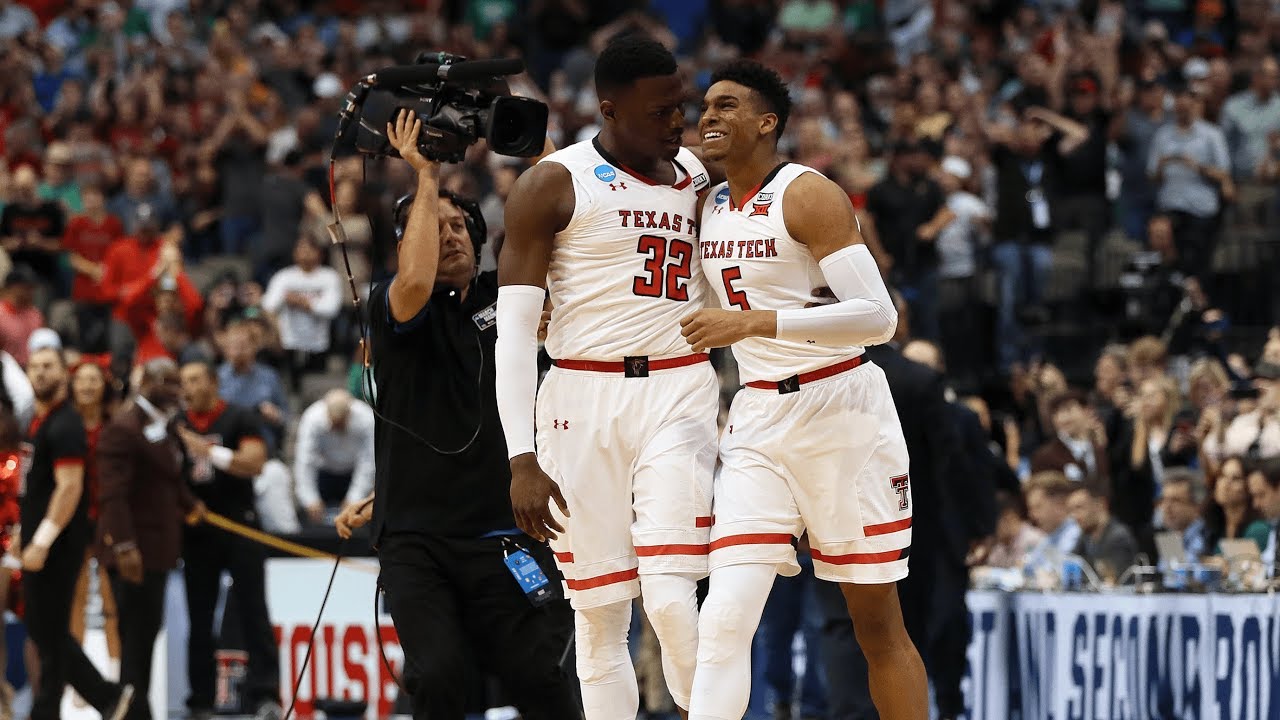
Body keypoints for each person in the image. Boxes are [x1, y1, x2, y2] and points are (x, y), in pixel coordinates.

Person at [679, 59, 926, 720]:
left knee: (875, 626)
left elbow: (880, 317)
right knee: (725, 619)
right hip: (758, 412)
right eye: (705, 106)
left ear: (767, 122)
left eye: (726, 105)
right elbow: (692, 312)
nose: (708, 117)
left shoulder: (806, 193)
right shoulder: (709, 205)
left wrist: (759, 321)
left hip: (841, 407)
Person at [497, 35, 715, 719]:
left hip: (679, 389)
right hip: (578, 397)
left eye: (680, 106)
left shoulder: (702, 180)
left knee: (674, 597)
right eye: (661, 112)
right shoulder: (553, 184)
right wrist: (520, 457)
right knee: (598, 620)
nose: (677, 123)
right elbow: (512, 335)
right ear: (610, 109)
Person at [363, 110, 578, 719]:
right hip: (417, 541)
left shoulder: (505, 303)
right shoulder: (390, 304)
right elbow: (415, 280)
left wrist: (541, 152)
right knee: (437, 678)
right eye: (435, 226)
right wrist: (425, 178)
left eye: (460, 226)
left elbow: (571, 222)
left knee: (542, 675)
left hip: (503, 532)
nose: (450, 234)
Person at [18, 346, 134, 720]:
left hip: (59, 544)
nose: (40, 373)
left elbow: (70, 488)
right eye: (34, 367)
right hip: (45, 539)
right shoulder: (42, 422)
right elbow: (37, 490)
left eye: (48, 366)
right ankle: (97, 701)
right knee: (47, 631)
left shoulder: (65, 424)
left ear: (63, 375)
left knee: (48, 629)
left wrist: (41, 540)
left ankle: (102, 697)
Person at [97, 358, 204, 720]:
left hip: (159, 552)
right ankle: (130, 713)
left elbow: (170, 480)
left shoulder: (166, 427)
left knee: (145, 638)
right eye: (169, 383)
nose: (178, 390)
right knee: (134, 640)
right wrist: (124, 546)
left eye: (178, 383)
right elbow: (112, 495)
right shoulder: (123, 428)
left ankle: (137, 711)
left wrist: (192, 505)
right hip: (133, 553)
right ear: (146, 383)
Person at [174, 361, 278, 720]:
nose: (187, 387)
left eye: (194, 379)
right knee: (199, 619)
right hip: (197, 533)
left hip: (239, 527)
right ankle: (201, 701)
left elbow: (255, 463)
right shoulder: (176, 424)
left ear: (214, 383)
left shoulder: (239, 417)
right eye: (183, 381)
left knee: (254, 612)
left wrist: (206, 450)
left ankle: (266, 695)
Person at [68, 360, 121, 693]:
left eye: (93, 380)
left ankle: (115, 673)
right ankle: (79, 682)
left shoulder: (115, 426)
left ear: (104, 386)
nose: (87, 386)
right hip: (74, 519)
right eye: (81, 380)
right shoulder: (65, 425)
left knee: (111, 598)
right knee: (75, 600)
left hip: (108, 519)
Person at [292, 388, 374, 526]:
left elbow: (368, 462)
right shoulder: (312, 418)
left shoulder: (366, 418)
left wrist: (354, 498)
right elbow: (305, 462)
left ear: (349, 413)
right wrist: (310, 500)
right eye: (334, 422)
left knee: (359, 519)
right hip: (325, 473)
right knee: (312, 517)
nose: (337, 427)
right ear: (326, 413)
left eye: (341, 423)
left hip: (353, 472)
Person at [1067, 479, 1139, 583]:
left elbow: (1114, 580)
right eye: (1071, 510)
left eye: (1079, 508)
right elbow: (1070, 562)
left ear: (1101, 504)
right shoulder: (1086, 535)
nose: (1074, 516)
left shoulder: (1118, 537)